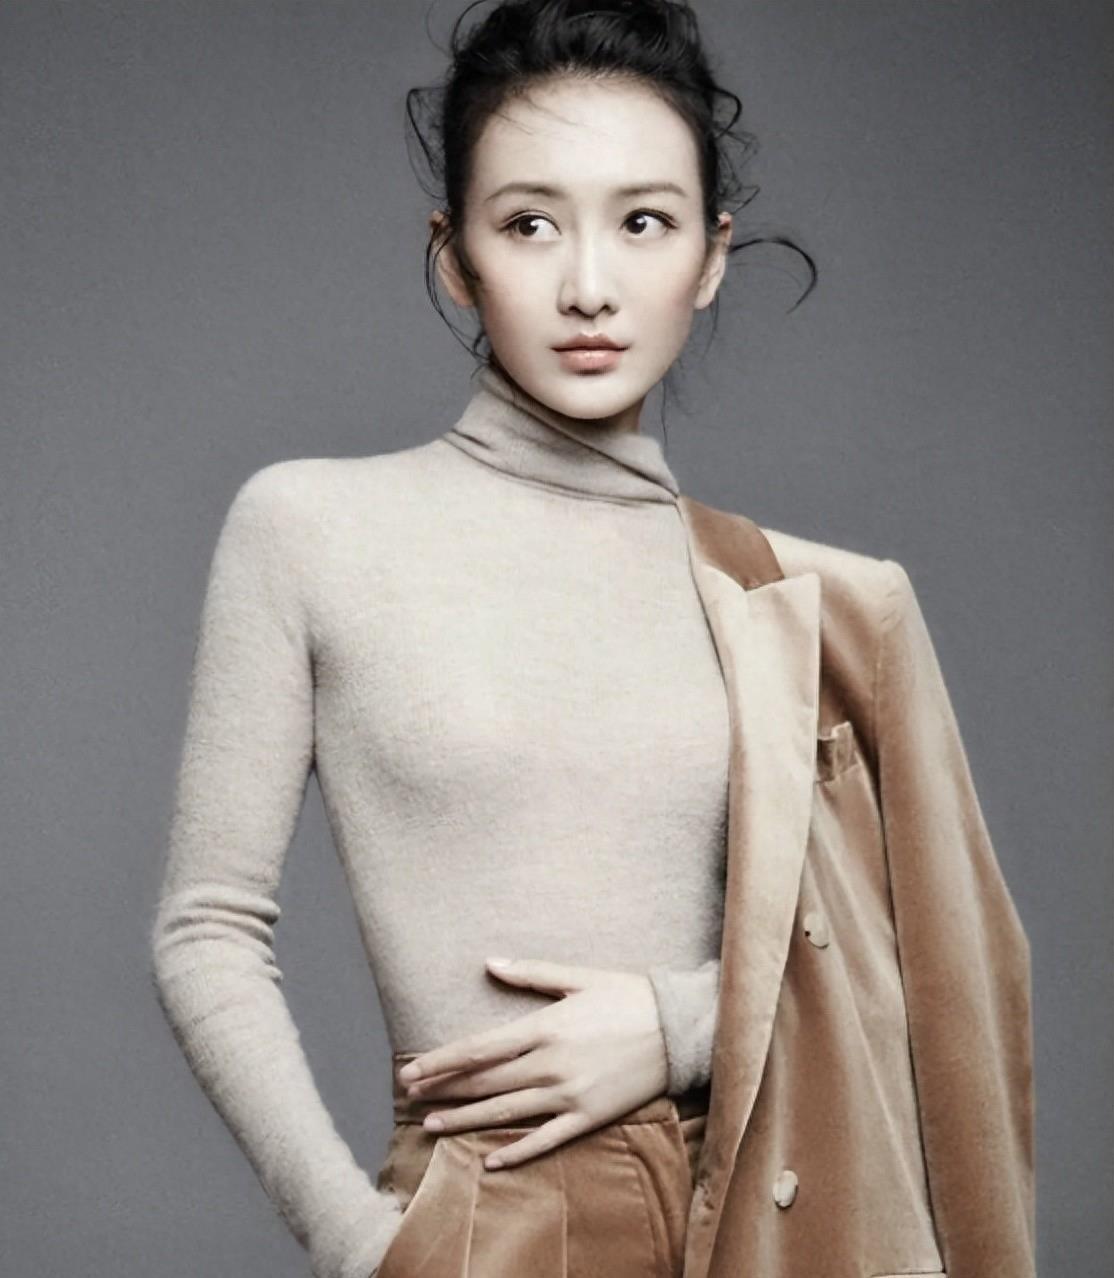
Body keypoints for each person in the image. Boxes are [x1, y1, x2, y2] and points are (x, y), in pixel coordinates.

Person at [149, 2, 1036, 1277]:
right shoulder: (310, 530)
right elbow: (207, 931)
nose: (587, 286)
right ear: (454, 256)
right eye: (529, 224)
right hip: (496, 1213)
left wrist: (680, 1026)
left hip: (785, 1215)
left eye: (643, 222)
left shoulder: (820, 606)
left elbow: (944, 993)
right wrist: (366, 1248)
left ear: (710, 256)